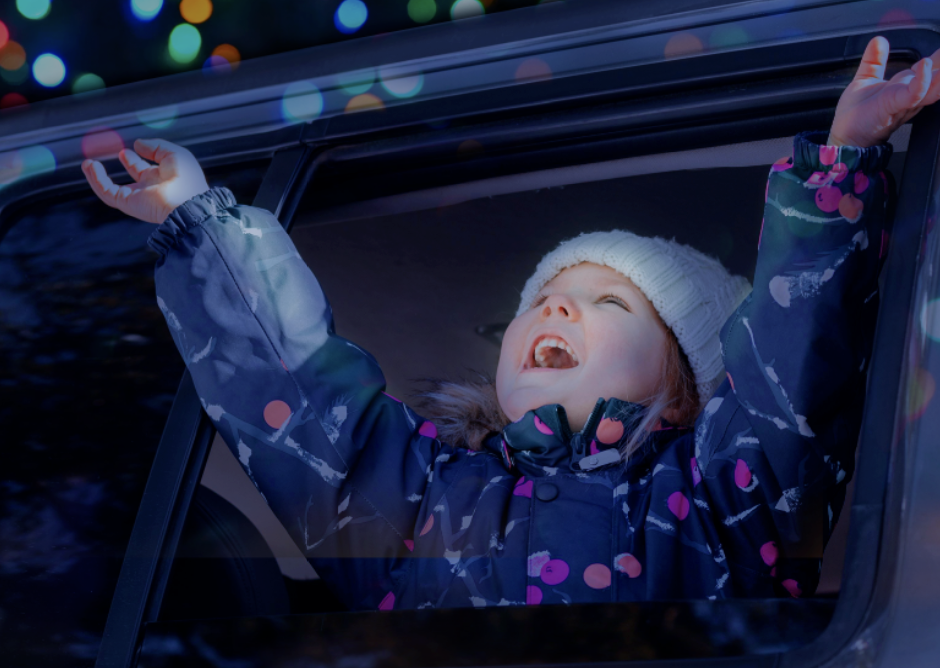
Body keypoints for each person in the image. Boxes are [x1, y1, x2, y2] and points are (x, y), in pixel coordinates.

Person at [83, 36, 940, 610]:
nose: (558, 306)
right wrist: (200, 220)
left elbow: (793, 364)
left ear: (682, 391)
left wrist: (841, 164)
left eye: (611, 303)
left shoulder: (728, 496)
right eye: (544, 298)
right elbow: (301, 392)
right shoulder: (422, 497)